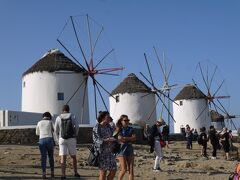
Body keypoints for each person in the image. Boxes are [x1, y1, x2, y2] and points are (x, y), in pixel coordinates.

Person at [55, 105, 80, 179]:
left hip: (62, 139)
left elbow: (56, 130)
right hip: (71, 138)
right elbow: (77, 126)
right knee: (73, 157)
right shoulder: (73, 116)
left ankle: (63, 175)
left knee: (63, 157)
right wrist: (75, 134)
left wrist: (57, 140)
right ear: (69, 109)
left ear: (62, 110)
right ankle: (75, 173)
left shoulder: (58, 117)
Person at [92, 111, 117, 180]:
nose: (109, 118)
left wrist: (113, 140)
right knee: (103, 173)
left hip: (110, 152)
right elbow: (96, 140)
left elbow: (113, 135)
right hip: (101, 153)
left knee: (114, 170)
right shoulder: (97, 127)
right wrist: (108, 140)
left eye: (109, 117)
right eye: (107, 117)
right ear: (103, 118)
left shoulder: (109, 126)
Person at [117, 115, 136, 180]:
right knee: (124, 169)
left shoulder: (131, 129)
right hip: (121, 149)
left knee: (131, 170)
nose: (127, 121)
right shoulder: (119, 129)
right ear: (121, 121)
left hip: (129, 148)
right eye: (125, 120)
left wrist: (125, 138)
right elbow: (120, 138)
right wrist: (129, 138)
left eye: (128, 120)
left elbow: (134, 138)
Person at [36, 112, 55, 179]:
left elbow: (37, 133)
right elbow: (54, 130)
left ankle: (43, 173)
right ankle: (52, 172)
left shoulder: (39, 122)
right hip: (49, 139)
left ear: (43, 116)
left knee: (43, 157)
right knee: (51, 157)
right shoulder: (50, 122)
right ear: (49, 116)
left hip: (41, 140)